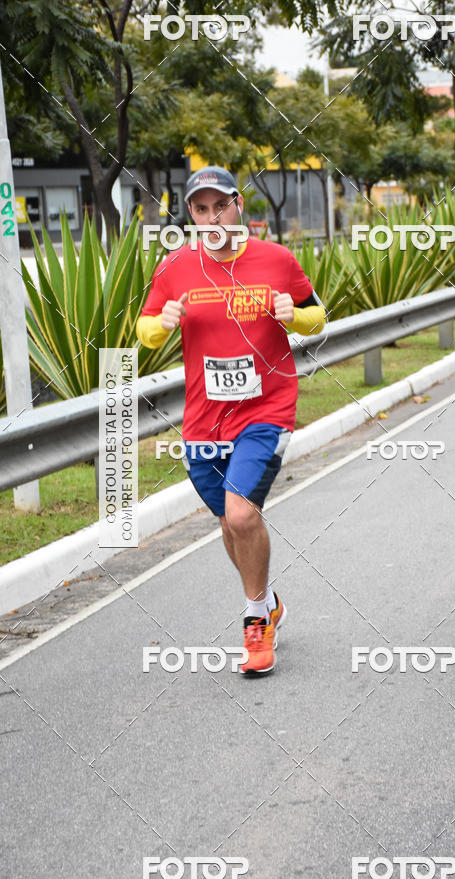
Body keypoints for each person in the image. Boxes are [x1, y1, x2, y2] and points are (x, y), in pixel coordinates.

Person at [136, 166, 325, 674]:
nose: (212, 216)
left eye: (220, 205)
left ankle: (254, 623)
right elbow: (145, 329)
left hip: (267, 407)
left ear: (238, 205)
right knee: (228, 521)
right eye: (201, 209)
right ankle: (269, 604)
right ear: (192, 215)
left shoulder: (276, 259)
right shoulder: (174, 266)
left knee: (242, 514)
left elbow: (317, 316)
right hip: (203, 419)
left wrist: (294, 315)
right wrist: (162, 324)